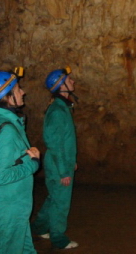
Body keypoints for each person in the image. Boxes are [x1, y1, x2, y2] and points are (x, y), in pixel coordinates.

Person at [0, 67, 41, 254]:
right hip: (9, 205)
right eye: (18, 88)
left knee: (25, 249)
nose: (23, 92)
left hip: (7, 203)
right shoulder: (6, 130)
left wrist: (22, 157)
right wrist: (32, 162)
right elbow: (0, 175)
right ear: (7, 95)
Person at [31, 66, 79, 249]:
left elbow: (64, 140)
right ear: (61, 85)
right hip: (58, 164)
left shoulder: (62, 107)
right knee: (61, 202)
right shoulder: (58, 111)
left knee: (54, 198)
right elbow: (54, 143)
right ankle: (58, 238)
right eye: (69, 80)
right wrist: (63, 170)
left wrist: (70, 161)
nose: (72, 81)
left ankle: (39, 227)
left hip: (61, 162)